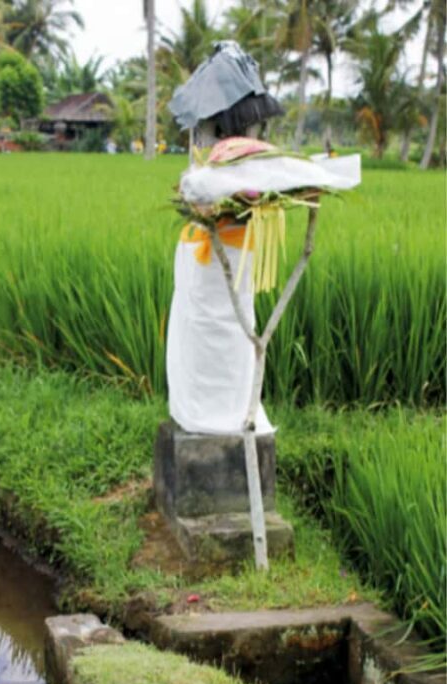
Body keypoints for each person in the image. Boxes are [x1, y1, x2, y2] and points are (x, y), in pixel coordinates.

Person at [166, 42, 284, 436]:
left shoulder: (248, 155)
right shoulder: (204, 155)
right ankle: (199, 410)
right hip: (204, 247)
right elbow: (195, 185)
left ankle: (229, 409)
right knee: (199, 324)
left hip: (233, 249)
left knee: (232, 328)